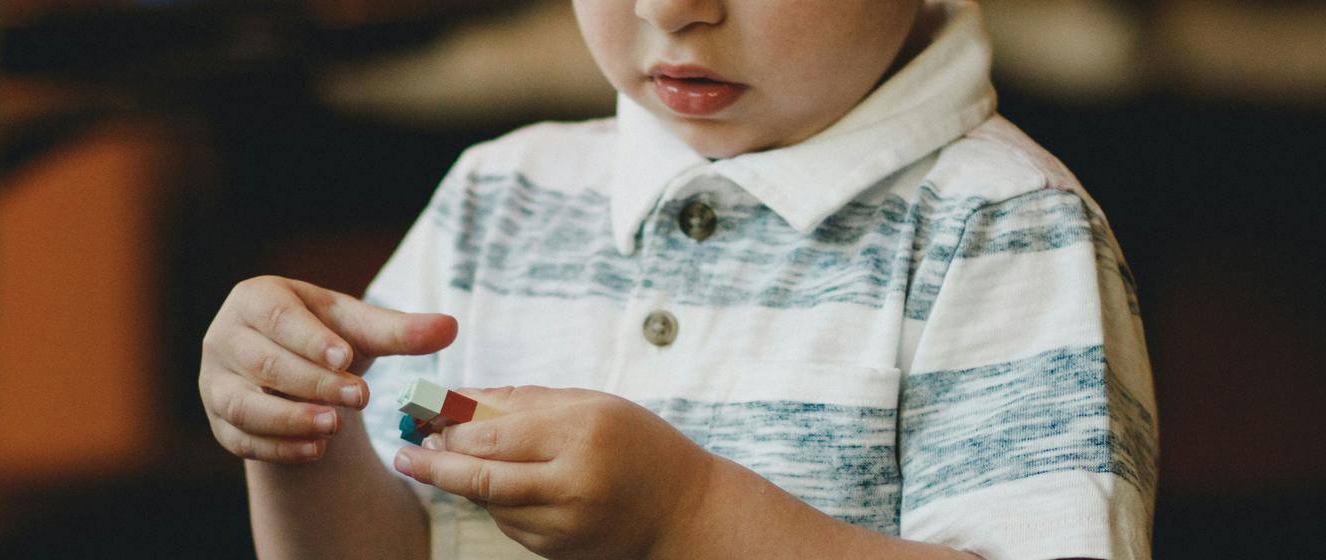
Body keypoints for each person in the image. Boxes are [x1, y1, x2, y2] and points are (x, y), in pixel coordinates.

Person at [197, 0, 1158, 558]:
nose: (673, 8)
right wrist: (299, 436)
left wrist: (692, 515)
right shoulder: (501, 194)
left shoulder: (1000, 227)